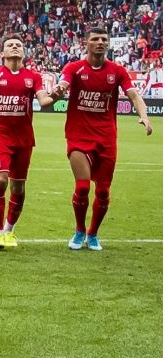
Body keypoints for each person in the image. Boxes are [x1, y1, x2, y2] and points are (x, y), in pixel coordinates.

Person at [40, 26, 153, 250]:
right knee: (82, 187)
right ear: (86, 43)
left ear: (108, 43)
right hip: (78, 136)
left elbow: (133, 95)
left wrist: (145, 117)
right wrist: (58, 91)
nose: (100, 42)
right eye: (95, 39)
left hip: (106, 138)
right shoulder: (74, 68)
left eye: (103, 38)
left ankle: (93, 233)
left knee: (103, 192)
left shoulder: (117, 71)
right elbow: (63, 83)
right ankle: (79, 230)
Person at [0, 37, 42, 249]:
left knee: (18, 187)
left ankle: (9, 230)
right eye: (10, 45)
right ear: (1, 53)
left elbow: (44, 99)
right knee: (1, 180)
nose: (15, 47)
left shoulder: (33, 76)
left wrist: (57, 94)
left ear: (24, 53)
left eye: (19, 45)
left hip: (23, 137)